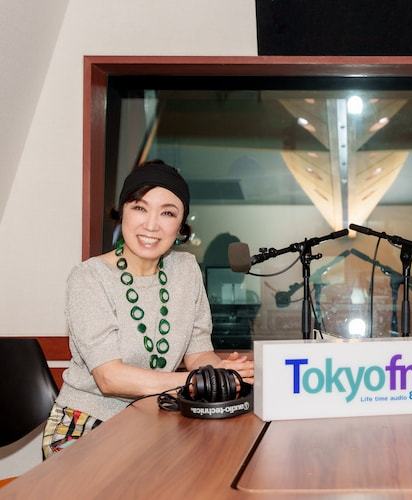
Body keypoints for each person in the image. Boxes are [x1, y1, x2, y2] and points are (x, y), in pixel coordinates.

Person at [42, 160, 254, 458]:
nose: (151, 225)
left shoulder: (186, 269)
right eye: (140, 208)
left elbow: (198, 353)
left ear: (180, 226)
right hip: (86, 426)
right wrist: (195, 380)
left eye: (168, 213)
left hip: (154, 419)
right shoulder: (89, 277)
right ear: (122, 212)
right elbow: (110, 378)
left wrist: (218, 372)